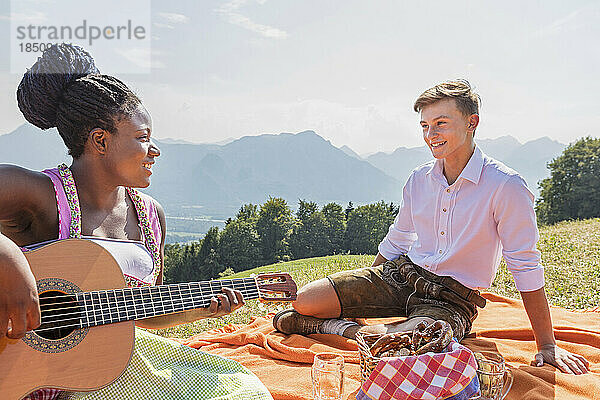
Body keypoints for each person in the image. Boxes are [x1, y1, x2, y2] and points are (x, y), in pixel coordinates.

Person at [0, 43, 273, 400]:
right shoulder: (36, 193)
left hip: (107, 375)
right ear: (100, 140)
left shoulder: (150, 217)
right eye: (143, 138)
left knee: (243, 388)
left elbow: (135, 314)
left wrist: (195, 311)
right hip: (23, 379)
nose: (155, 151)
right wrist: (9, 259)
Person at [274, 79, 590, 375]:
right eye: (425, 126)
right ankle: (367, 329)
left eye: (440, 124)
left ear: (472, 122)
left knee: (403, 348)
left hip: (451, 298)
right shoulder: (418, 179)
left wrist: (547, 345)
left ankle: (345, 331)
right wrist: (365, 291)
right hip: (401, 275)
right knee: (305, 301)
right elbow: (398, 238)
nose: (430, 134)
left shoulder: (506, 186)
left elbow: (525, 265)